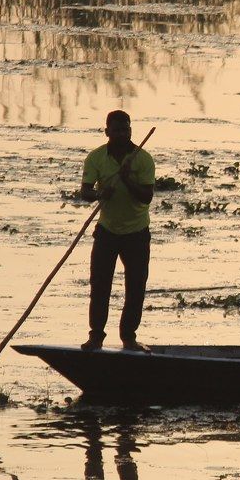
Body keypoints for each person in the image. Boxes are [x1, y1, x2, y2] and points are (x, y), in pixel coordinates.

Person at [80, 111, 155, 352]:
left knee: (136, 286)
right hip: (107, 231)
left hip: (136, 232)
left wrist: (128, 180)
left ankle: (129, 338)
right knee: (100, 286)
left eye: (126, 130)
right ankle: (96, 337)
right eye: (118, 130)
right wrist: (101, 194)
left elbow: (146, 197)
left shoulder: (142, 159)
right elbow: (85, 192)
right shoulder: (96, 158)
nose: (123, 134)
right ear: (107, 132)